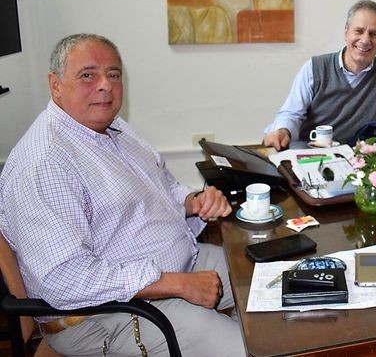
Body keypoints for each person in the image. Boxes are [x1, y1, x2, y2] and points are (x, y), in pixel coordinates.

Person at [0, 34, 245, 356]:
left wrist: (192, 202)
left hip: (177, 263)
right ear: (55, 85)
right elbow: (64, 279)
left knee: (268, 281)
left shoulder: (115, 129)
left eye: (113, 74)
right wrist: (175, 284)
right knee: (246, 348)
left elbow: (163, 185)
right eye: (88, 75)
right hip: (102, 313)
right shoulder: (44, 163)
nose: (105, 85)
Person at [263, 0, 376, 150]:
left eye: (374, 34)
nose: (365, 40)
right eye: (359, 31)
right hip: (309, 155)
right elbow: (292, 114)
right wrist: (283, 131)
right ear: (346, 32)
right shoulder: (314, 68)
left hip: (355, 158)